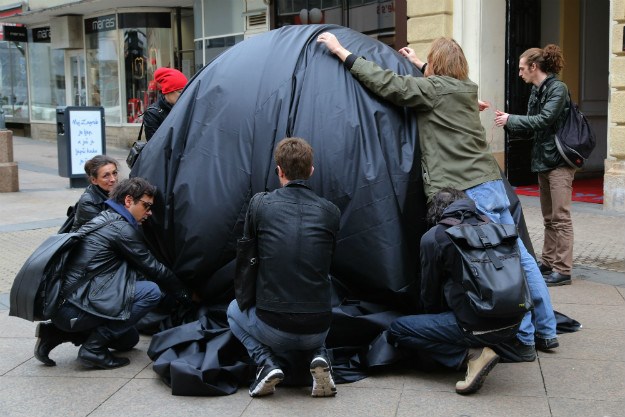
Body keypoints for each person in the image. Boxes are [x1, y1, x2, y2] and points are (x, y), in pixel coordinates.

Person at [317, 33, 558, 359]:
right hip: (492, 183)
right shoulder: (466, 89)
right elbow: (435, 78)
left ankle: (524, 339)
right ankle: (545, 330)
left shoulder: (433, 91)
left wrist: (340, 51)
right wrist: (418, 61)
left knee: (497, 266)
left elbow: (387, 83)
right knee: (520, 259)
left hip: (469, 189)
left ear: (438, 66)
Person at [34, 177, 191, 369]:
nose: (149, 213)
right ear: (128, 201)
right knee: (151, 292)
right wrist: (185, 295)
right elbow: (154, 268)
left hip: (65, 305)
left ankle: (55, 333)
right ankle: (92, 349)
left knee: (128, 340)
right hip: (74, 307)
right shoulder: (121, 229)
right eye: (146, 205)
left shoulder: (105, 218)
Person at [227, 137, 341, 398]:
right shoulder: (331, 211)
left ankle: (265, 362)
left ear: (279, 170)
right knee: (322, 285)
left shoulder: (260, 204)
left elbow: (247, 257)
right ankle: (320, 355)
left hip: (272, 326)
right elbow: (328, 259)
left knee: (233, 310)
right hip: (319, 327)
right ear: (311, 170)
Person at [388, 188, 521, 395]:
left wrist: (431, 324)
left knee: (398, 329)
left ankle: (472, 354)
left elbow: (429, 293)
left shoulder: (435, 236)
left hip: (475, 326)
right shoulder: (495, 227)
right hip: (514, 323)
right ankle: (486, 347)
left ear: (435, 211)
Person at [494, 45, 573, 288]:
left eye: (521, 68)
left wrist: (511, 119)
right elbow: (532, 125)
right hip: (543, 159)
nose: (519, 73)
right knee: (549, 217)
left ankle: (563, 269)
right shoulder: (537, 90)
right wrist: (507, 122)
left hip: (559, 160)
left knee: (560, 216)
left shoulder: (558, 89)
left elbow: (544, 120)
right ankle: (549, 262)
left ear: (534, 67)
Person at [70, 155, 119, 232]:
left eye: (114, 173)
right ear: (94, 180)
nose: (113, 179)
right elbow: (108, 230)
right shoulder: (88, 201)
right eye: (106, 176)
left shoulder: (118, 192)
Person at [143, 67, 188, 141]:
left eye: (185, 91)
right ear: (168, 91)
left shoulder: (185, 108)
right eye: (180, 92)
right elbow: (155, 145)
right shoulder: (153, 113)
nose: (183, 95)